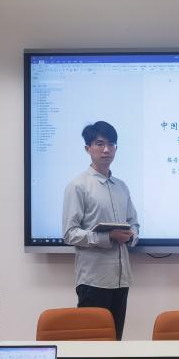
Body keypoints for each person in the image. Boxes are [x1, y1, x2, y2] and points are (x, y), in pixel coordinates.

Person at [62, 121, 139, 339]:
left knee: (115, 344)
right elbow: (69, 233)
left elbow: (134, 222)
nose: (106, 150)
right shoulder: (78, 185)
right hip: (93, 281)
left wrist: (131, 236)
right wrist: (107, 237)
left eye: (111, 144)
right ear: (88, 148)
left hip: (121, 279)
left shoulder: (121, 186)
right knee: (91, 346)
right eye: (99, 144)